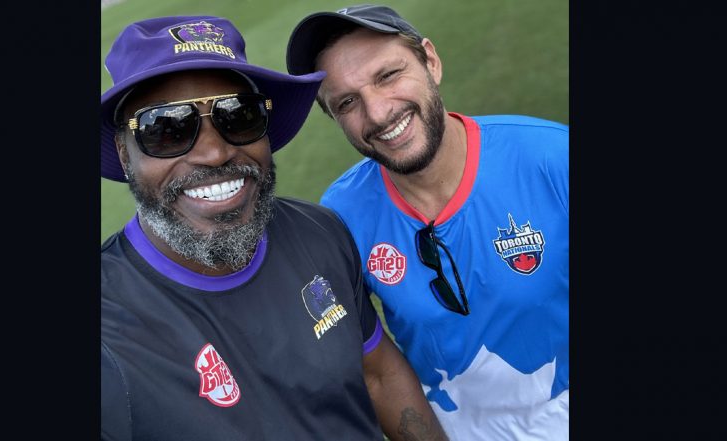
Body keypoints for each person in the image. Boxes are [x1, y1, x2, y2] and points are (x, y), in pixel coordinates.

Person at [100, 15, 448, 441]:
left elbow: (376, 373)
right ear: (123, 152)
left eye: (238, 116)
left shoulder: (319, 232)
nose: (214, 152)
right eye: (167, 128)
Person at [286, 4, 569, 440]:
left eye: (388, 75)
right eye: (347, 102)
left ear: (430, 61)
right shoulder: (343, 214)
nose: (378, 114)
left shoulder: (551, 158)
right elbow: (370, 364)